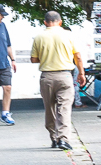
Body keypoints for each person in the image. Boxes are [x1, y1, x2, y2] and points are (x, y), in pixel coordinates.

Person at [30, 11, 86, 150]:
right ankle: (63, 139)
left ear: (45, 22)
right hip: (65, 76)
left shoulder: (39, 37)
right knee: (64, 109)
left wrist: (46, 56)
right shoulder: (68, 35)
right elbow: (77, 56)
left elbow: (33, 59)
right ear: (60, 22)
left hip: (47, 77)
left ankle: (54, 138)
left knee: (50, 109)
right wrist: (81, 73)